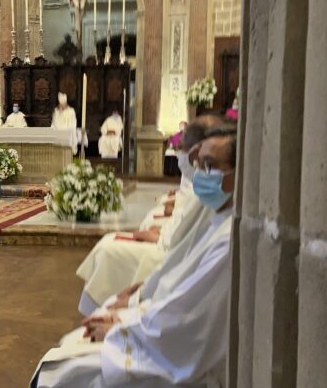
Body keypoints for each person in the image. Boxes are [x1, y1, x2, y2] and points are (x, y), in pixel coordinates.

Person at [15, 131, 237, 388]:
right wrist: (133, 304)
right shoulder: (223, 220)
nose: (199, 171)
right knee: (61, 362)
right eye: (198, 162)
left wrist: (120, 327)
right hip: (163, 345)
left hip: (180, 369)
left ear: (236, 176)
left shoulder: (229, 236)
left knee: (59, 378)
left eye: (209, 165)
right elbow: (177, 287)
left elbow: (186, 322)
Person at [75, 117, 224, 314]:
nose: (186, 158)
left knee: (108, 250)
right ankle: (98, 313)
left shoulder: (213, 192)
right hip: (170, 255)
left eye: (207, 162)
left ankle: (99, 313)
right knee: (109, 244)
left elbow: (182, 253)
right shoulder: (208, 186)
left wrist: (138, 297)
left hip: (169, 263)